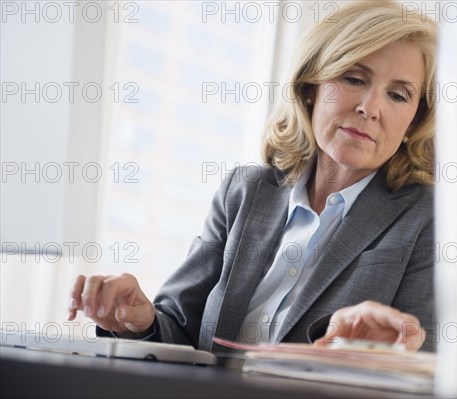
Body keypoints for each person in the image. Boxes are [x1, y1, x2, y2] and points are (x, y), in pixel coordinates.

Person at [67, 0, 437, 352]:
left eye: (398, 95)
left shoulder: (431, 218)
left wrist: (359, 352)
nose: (369, 107)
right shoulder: (244, 191)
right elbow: (179, 331)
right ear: (311, 88)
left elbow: (425, 362)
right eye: (354, 78)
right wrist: (137, 320)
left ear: (414, 121)